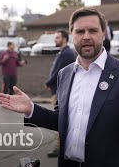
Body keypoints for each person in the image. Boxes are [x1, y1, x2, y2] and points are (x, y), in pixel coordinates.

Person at [0, 7, 119, 167]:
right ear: (72, 35)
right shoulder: (64, 74)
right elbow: (62, 120)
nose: (86, 37)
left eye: (92, 31)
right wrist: (31, 109)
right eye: (80, 32)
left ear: (103, 34)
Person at [45, 30, 76, 158]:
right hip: (57, 91)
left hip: (62, 92)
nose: (55, 40)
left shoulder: (67, 53)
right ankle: (62, 147)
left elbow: (59, 72)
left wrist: (48, 83)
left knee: (61, 120)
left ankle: (60, 148)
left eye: (57, 37)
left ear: (64, 39)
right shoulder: (62, 52)